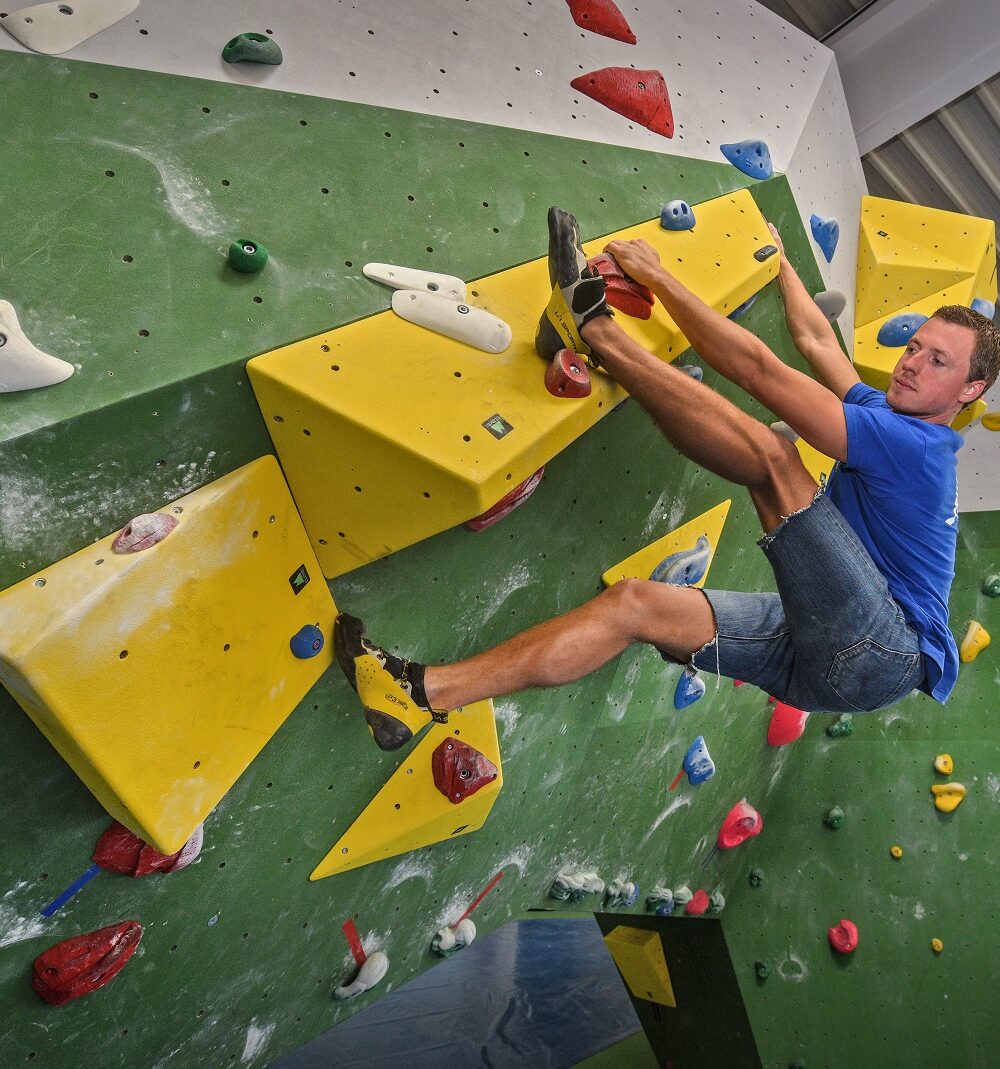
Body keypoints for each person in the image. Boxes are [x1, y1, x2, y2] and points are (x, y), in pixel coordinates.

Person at [336, 207, 1000, 751]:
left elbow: (760, 373)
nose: (912, 363)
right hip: (836, 664)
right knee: (634, 605)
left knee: (775, 459)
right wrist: (782, 260)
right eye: (914, 347)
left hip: (882, 645)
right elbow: (819, 343)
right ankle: (420, 692)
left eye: (937, 360)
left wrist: (660, 279)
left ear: (970, 389)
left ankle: (596, 328)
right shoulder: (883, 412)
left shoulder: (918, 446)